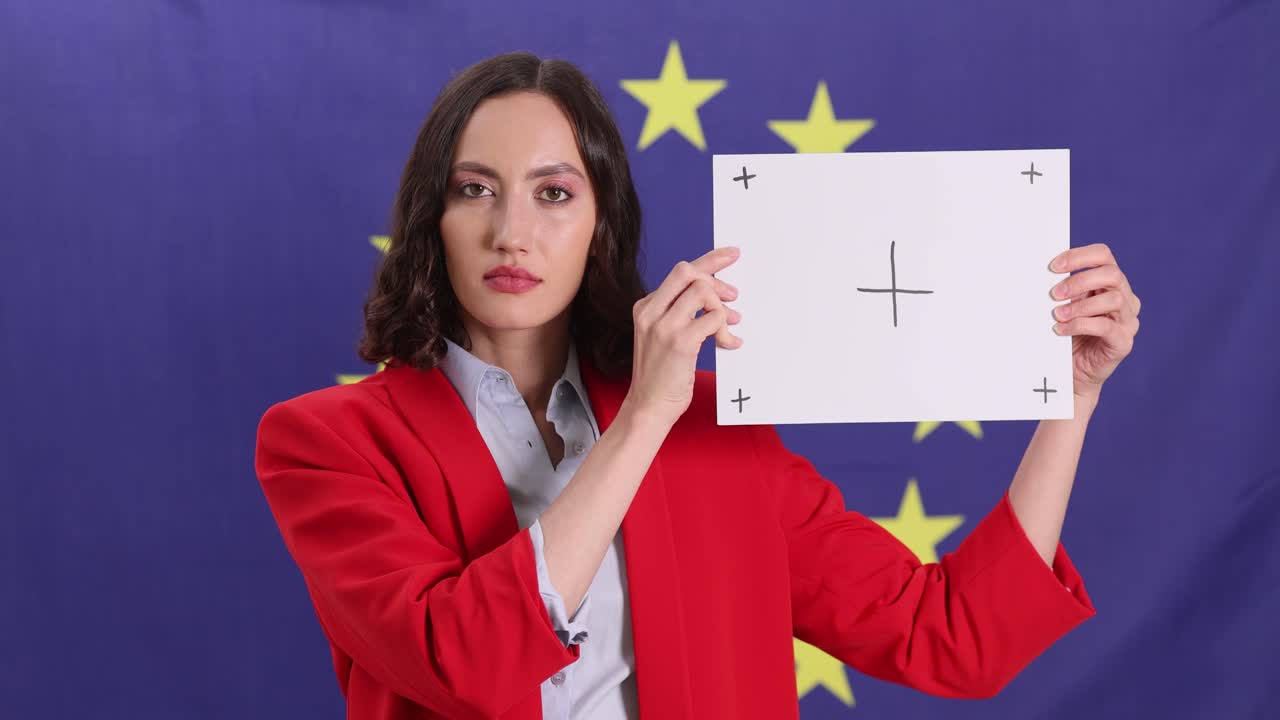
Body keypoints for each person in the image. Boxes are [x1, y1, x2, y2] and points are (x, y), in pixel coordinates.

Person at [254, 52, 1141, 720]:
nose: (512, 233)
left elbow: (951, 638)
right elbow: (466, 662)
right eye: (475, 189)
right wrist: (644, 418)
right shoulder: (325, 442)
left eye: (554, 194)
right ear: (431, 218)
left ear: (601, 221)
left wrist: (1070, 400)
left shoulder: (720, 432)